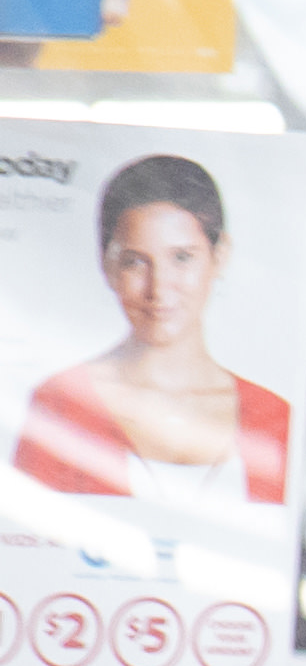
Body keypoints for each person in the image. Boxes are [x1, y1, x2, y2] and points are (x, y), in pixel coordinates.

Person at [16, 155, 288, 508]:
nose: (159, 288)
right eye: (135, 261)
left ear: (219, 256)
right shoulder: (60, 405)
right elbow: (27, 554)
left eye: (182, 258)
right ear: (107, 265)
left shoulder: (276, 417)